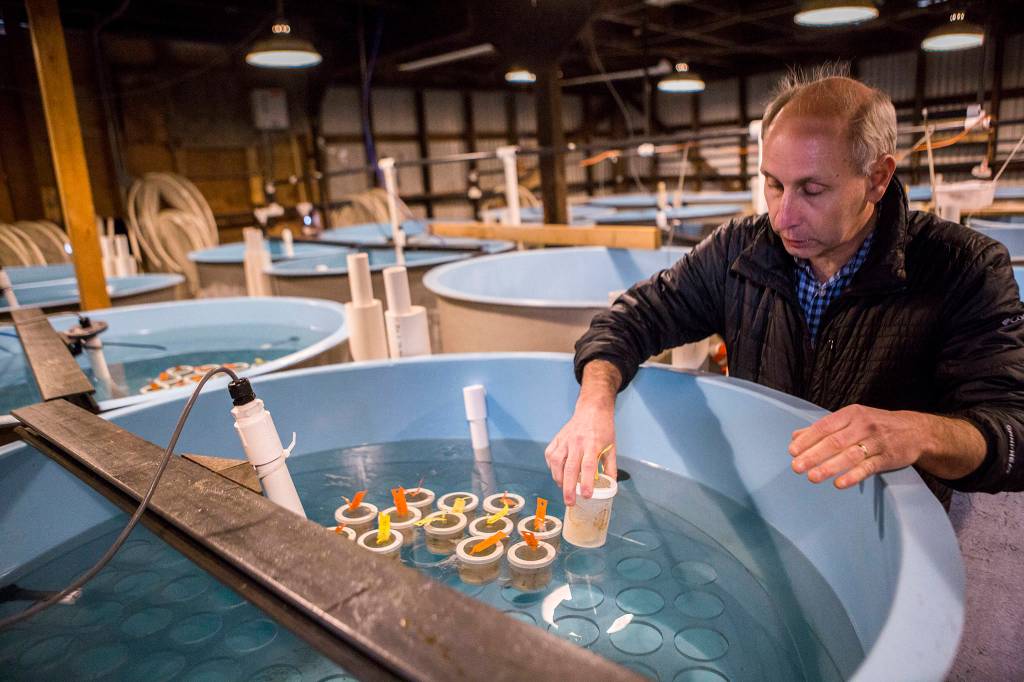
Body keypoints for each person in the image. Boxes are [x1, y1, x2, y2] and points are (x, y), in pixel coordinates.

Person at [545, 68, 1024, 509]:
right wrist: (594, 404)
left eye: (812, 190)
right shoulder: (738, 250)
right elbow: (630, 318)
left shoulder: (965, 267)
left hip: (884, 521)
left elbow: (1013, 432)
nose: (782, 216)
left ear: (877, 179)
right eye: (774, 184)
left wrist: (921, 431)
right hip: (767, 503)